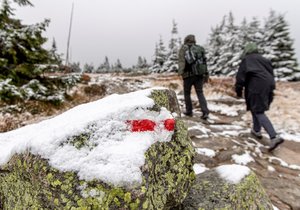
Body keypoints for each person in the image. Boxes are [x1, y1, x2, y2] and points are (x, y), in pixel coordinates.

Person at [235, 42, 284, 151]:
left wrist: (238, 90)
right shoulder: (264, 60)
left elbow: (240, 77)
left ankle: (274, 136)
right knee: (255, 108)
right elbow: (270, 74)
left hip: (256, 85)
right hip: (268, 85)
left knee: (258, 111)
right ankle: (256, 130)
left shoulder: (247, 60)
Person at [178, 34, 209, 120]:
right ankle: (205, 112)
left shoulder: (183, 49)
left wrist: (180, 73)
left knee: (187, 93)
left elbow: (181, 62)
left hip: (188, 75)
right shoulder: (200, 48)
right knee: (200, 92)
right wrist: (206, 74)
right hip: (199, 75)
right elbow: (204, 62)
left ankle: (189, 111)